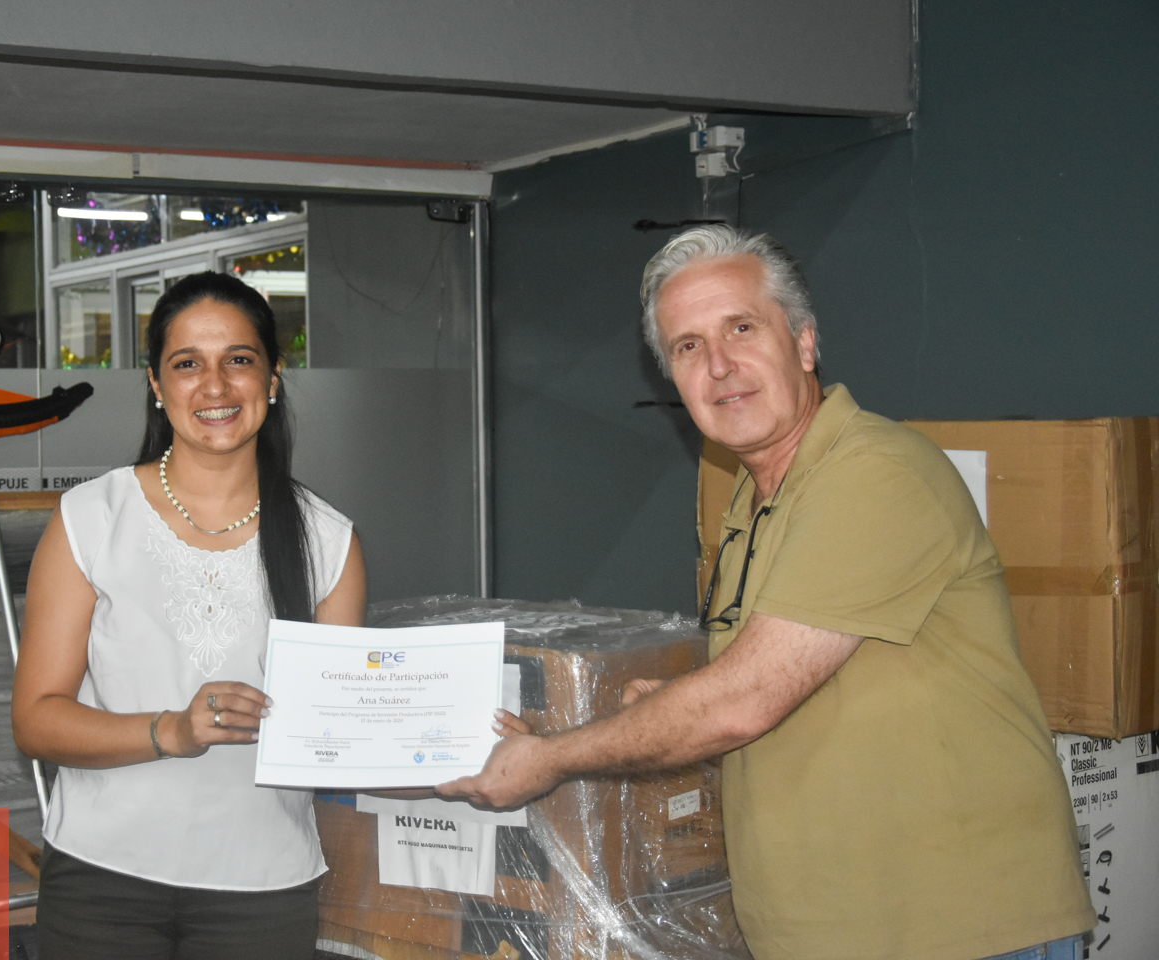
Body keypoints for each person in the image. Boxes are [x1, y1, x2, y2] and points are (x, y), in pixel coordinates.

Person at [438, 225, 1095, 960]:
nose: (719, 366)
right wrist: (675, 700)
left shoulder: (873, 473)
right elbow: (785, 670)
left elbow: (744, 701)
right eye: (688, 347)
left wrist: (552, 758)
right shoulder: (753, 504)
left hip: (955, 928)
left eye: (742, 328)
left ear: (805, 343)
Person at [12, 271, 368, 960]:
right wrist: (170, 731)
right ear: (155, 383)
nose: (215, 386)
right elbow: (36, 719)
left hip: (262, 887)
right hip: (101, 878)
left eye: (239, 359)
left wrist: (460, 744)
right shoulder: (92, 517)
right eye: (187, 364)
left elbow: (344, 734)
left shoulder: (328, 541)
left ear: (272, 378)